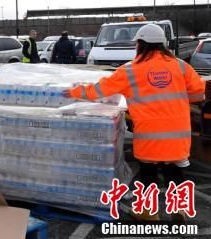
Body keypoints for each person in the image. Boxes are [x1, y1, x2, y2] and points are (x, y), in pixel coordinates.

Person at [66, 24, 205, 222]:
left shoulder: (130, 70)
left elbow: (99, 90)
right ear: (163, 44)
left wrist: (73, 91)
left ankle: (150, 212)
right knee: (174, 170)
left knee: (149, 173)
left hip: (150, 134)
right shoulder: (181, 66)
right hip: (178, 133)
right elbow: (198, 92)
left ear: (140, 44)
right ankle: (180, 210)